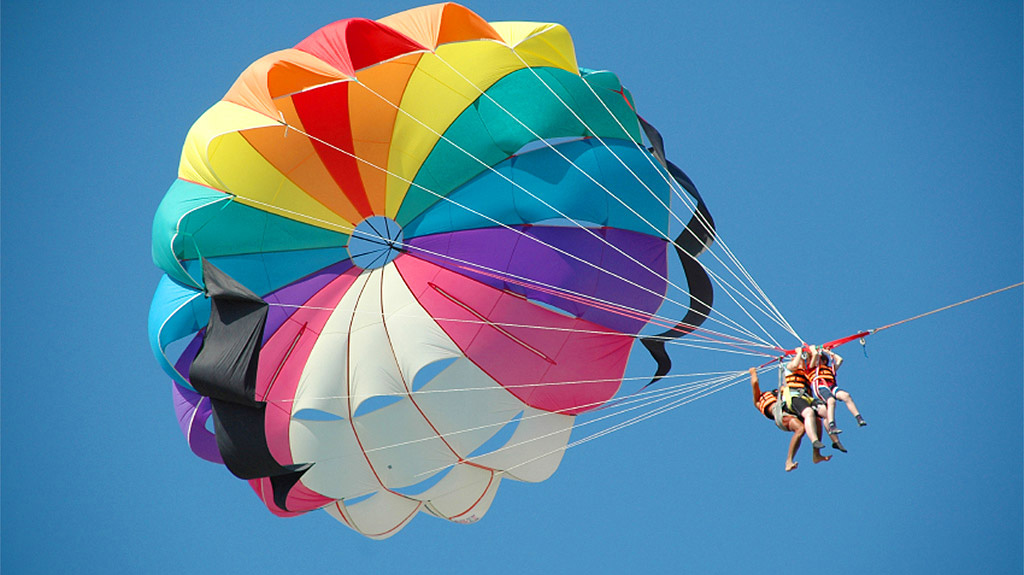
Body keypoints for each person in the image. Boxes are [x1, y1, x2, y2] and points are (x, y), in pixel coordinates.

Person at [750, 367, 829, 472]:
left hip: (789, 408)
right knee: (800, 429)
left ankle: (816, 454)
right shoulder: (758, 400)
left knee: (816, 420)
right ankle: (788, 461)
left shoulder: (782, 394)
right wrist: (753, 372)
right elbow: (755, 383)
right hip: (780, 415)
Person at [783, 346, 847, 453]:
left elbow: (812, 361)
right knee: (808, 413)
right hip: (794, 396)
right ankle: (814, 440)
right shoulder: (788, 367)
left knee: (825, 412)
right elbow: (794, 364)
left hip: (807, 398)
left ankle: (836, 441)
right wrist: (798, 352)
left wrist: (813, 352)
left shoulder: (807, 371)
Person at [807, 346, 866, 435]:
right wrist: (813, 349)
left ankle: (859, 418)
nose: (816, 361)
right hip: (820, 385)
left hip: (832, 386)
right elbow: (814, 354)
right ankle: (832, 425)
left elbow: (840, 360)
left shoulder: (830, 369)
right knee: (831, 401)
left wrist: (829, 352)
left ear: (824, 361)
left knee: (846, 395)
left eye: (819, 360)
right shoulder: (811, 368)